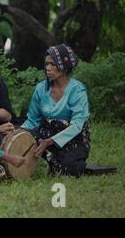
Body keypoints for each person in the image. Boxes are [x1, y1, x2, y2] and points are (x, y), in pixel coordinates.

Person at [20, 44, 90, 177]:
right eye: (46, 64)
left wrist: (50, 141)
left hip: (72, 137)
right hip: (45, 133)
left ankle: (55, 160)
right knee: (24, 139)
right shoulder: (41, 88)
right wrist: (18, 133)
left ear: (64, 65)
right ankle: (49, 159)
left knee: (71, 169)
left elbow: (77, 126)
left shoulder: (77, 90)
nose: (48, 68)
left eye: (53, 64)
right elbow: (32, 120)